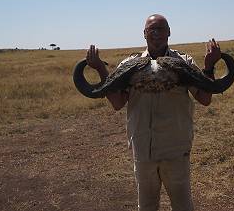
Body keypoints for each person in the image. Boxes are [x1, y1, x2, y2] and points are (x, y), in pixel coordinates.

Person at [86, 14, 221, 211]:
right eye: (152, 29)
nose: (156, 33)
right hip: (143, 149)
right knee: (147, 206)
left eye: (161, 29)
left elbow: (205, 98)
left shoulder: (183, 61)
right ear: (144, 34)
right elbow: (117, 102)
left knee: (183, 205)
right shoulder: (128, 65)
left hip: (175, 148)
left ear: (169, 32)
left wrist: (209, 67)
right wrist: (99, 69)